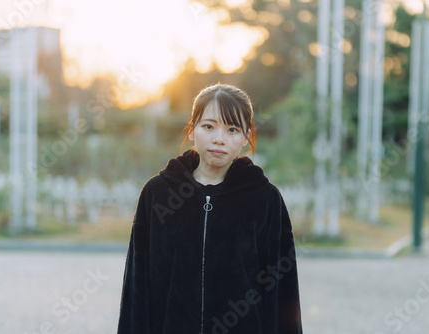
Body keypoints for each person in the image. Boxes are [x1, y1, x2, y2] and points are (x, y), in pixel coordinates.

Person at [117, 83, 303, 334]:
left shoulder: (265, 200)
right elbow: (137, 288)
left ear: (247, 136)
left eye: (232, 129)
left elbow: (282, 291)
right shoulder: (158, 194)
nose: (219, 138)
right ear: (192, 130)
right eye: (208, 126)